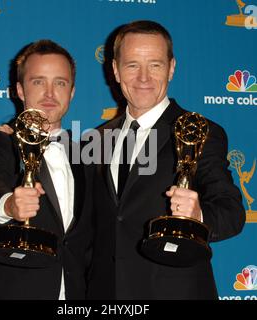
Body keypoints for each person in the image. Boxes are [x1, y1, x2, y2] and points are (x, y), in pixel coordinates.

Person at [85, 20, 246, 299]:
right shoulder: (94, 139)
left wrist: (198, 216)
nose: (143, 78)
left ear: (171, 68)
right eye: (133, 64)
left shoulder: (198, 131)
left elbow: (232, 212)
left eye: (155, 65)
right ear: (115, 70)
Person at [0, 39, 91, 300]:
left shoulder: (89, 156)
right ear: (20, 90)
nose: (50, 93)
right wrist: (9, 204)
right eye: (38, 82)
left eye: (60, 83)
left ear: (72, 92)